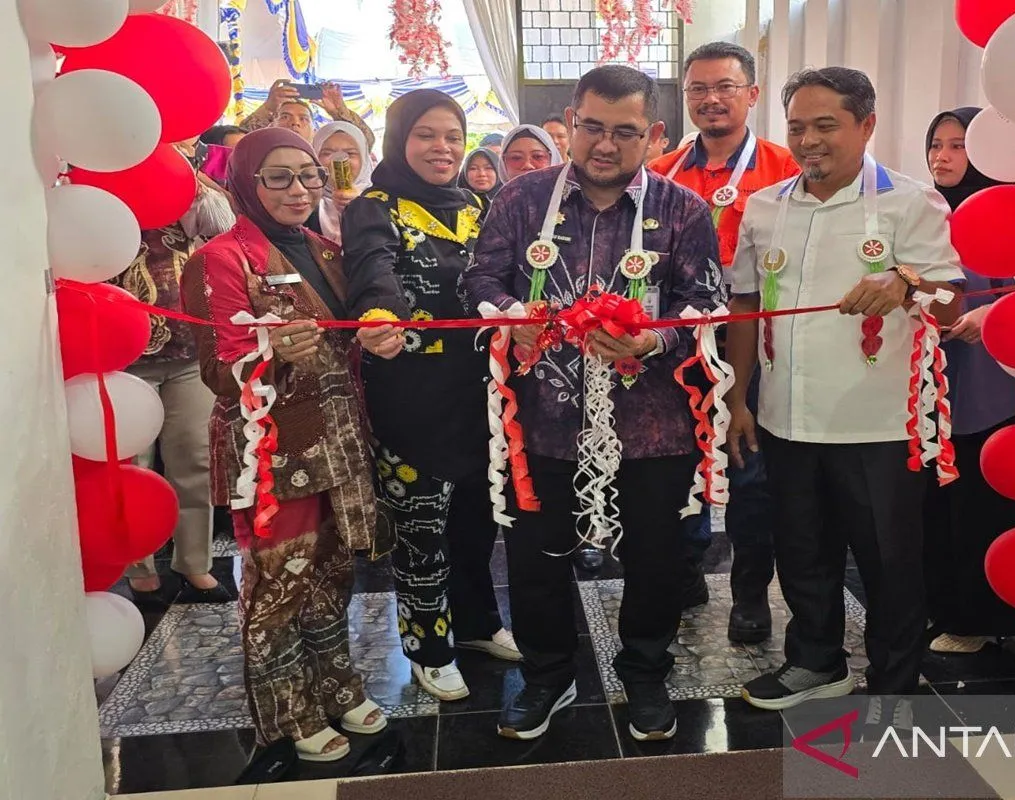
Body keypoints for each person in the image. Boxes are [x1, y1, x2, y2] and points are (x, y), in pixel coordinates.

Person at [463, 64, 724, 743]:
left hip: (653, 426)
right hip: (541, 422)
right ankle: (549, 675)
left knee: (656, 559)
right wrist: (510, 313)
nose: (605, 145)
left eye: (625, 132)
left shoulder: (683, 210)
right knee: (535, 558)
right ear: (572, 125)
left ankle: (645, 672)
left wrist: (655, 340)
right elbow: (480, 278)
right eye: (593, 127)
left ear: (653, 134)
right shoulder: (523, 199)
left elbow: (706, 301)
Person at [727, 68, 964, 721]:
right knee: (802, 548)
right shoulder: (766, 206)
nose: (809, 140)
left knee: (890, 561)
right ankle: (816, 661)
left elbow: (951, 303)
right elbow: (745, 304)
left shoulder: (911, 202)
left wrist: (906, 281)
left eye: (825, 125)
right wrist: (738, 399)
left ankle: (895, 681)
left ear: (866, 125)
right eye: (797, 127)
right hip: (786, 416)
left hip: (878, 424)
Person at [180, 128, 386, 762]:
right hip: (274, 449)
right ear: (246, 181)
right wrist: (270, 353)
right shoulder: (220, 259)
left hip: (340, 440)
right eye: (279, 176)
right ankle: (288, 712)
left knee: (333, 573)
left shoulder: (326, 248)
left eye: (309, 174)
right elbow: (217, 372)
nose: (298, 189)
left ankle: (337, 686)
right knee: (280, 582)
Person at [341, 90, 521, 703]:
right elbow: (373, 270)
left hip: (480, 392)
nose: (442, 148)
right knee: (421, 526)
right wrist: (380, 317)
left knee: (476, 519)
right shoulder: (373, 208)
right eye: (425, 135)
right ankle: (428, 647)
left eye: (452, 136)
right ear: (399, 140)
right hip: (411, 393)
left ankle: (476, 624)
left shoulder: (478, 205)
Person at [649, 42, 799, 639]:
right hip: (676, 348)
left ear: (751, 94)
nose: (711, 99)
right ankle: (684, 572)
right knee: (675, 464)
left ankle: (750, 594)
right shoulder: (660, 173)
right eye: (698, 89)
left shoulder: (785, 168)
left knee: (749, 470)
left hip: (755, 345)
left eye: (725, 87)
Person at [922, 107, 1015, 655]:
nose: (942, 157)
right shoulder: (927, 211)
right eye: (936, 144)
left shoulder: (1011, 209)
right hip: (936, 376)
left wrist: (993, 314)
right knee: (939, 501)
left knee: (982, 502)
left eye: (958, 145)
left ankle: (981, 619)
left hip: (990, 385)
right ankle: (943, 608)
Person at [118, 137, 237, 608]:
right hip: (121, 351)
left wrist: (190, 176)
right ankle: (140, 567)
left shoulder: (181, 181)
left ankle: (195, 563)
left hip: (189, 344)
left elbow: (224, 226)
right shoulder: (98, 185)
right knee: (133, 465)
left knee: (195, 459)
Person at [244, 79, 376, 149]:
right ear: (272, 124)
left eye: (303, 119)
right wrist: (268, 108)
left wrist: (339, 112)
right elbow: (241, 141)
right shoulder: (261, 155)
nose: (295, 123)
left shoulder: (323, 157)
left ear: (315, 131)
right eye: (285, 117)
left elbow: (364, 142)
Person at [307, 121, 373, 244]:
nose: (339, 160)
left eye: (350, 153)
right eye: (327, 153)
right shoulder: (304, 203)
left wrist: (363, 207)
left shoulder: (382, 201)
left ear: (364, 159)